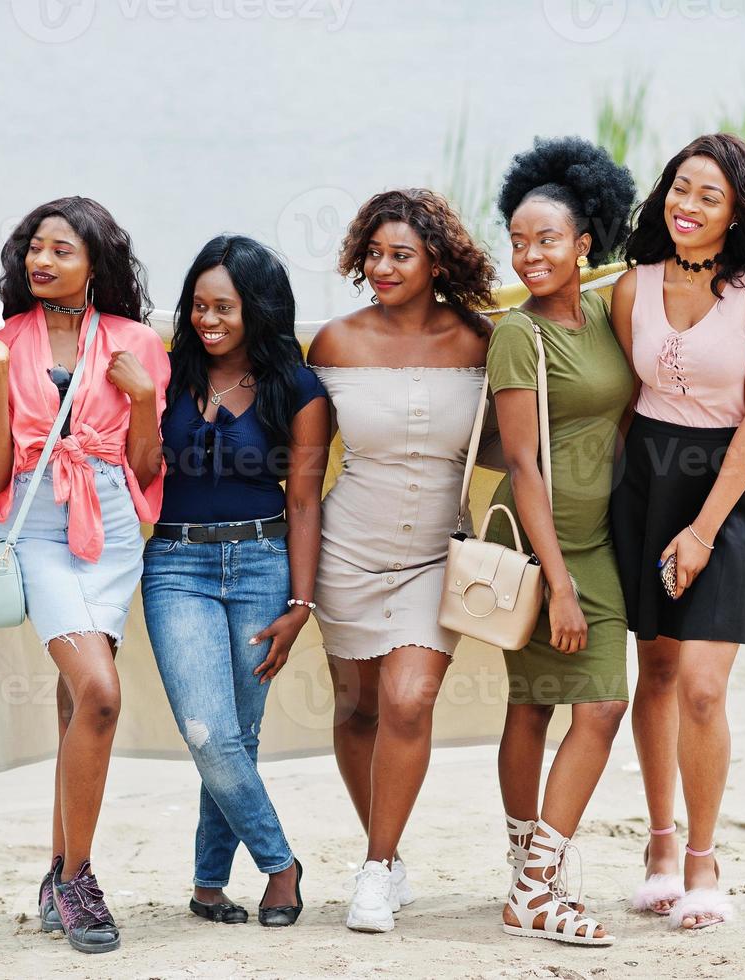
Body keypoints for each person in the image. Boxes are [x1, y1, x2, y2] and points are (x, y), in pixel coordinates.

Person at [610, 132, 745, 930]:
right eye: (679, 188)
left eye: (708, 195)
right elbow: (617, 400)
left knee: (701, 685)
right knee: (655, 675)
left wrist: (699, 531)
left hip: (726, 495)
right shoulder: (631, 286)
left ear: (736, 213)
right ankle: (658, 848)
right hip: (644, 488)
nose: (687, 206)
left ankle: (702, 860)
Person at [0, 196, 168, 954]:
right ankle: (79, 878)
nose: (41, 261)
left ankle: (54, 873)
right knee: (101, 693)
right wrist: (1, 378)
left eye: (60, 250)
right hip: (39, 533)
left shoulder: (138, 341)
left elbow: (146, 470)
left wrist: (142, 399)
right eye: (33, 248)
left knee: (78, 701)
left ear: (95, 262)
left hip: (111, 534)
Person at [306, 188, 496, 933]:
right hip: (346, 552)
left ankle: (377, 870)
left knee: (409, 700)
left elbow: (513, 439)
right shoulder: (335, 343)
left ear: (436, 261)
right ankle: (381, 851)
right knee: (356, 710)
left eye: (400, 256)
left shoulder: (479, 341)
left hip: (434, 557)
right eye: (374, 254)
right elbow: (305, 470)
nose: (382, 268)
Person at [143, 234, 329, 928]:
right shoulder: (163, 375)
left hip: (261, 563)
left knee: (236, 741)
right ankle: (280, 865)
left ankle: (208, 886)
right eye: (197, 304)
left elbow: (305, 501)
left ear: (258, 307)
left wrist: (300, 603)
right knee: (207, 731)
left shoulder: (300, 389)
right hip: (175, 566)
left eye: (223, 305)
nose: (207, 319)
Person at [487, 137, 636, 946]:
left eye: (546, 239)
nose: (529, 254)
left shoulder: (608, 314)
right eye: (516, 240)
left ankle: (530, 878)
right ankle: (533, 883)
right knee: (537, 705)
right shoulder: (518, 335)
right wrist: (559, 582)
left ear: (585, 242)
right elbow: (521, 462)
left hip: (599, 543)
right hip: (541, 549)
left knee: (597, 705)